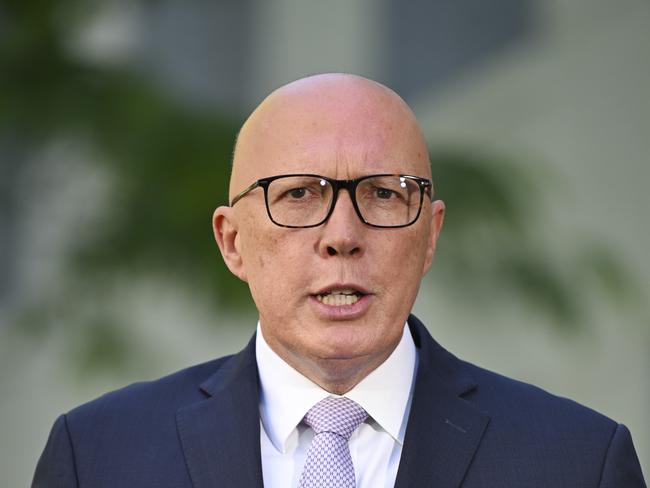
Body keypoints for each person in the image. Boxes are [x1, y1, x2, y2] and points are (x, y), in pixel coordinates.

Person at [33, 73, 646, 487]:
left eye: (383, 194)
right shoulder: (98, 457)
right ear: (232, 241)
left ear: (430, 235)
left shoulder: (578, 462)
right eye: (299, 194)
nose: (342, 234)